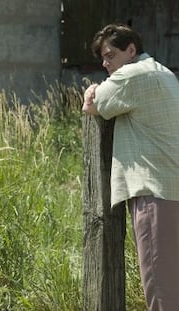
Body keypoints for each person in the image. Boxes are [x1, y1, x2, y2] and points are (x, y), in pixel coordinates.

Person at [82, 23, 179, 310]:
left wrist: (90, 93)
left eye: (110, 55)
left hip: (153, 192)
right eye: (103, 57)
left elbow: (95, 104)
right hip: (172, 187)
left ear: (131, 50)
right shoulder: (165, 73)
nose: (105, 62)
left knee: (161, 289)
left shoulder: (132, 75)